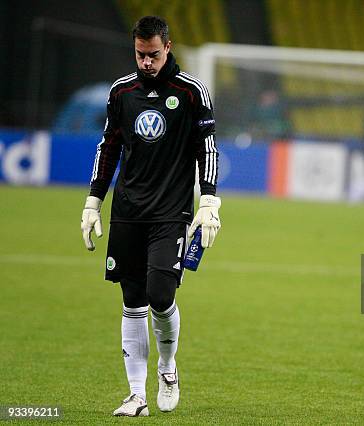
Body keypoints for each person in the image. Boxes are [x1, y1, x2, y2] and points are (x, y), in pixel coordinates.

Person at [80, 16, 221, 417]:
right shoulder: (121, 91)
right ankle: (136, 395)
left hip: (171, 211)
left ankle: (168, 367)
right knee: (132, 300)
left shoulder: (192, 92)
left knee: (161, 296)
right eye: (140, 55)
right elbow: (108, 148)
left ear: (168, 47)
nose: (146, 62)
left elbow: (207, 147)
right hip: (128, 211)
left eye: (153, 54)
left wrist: (209, 201)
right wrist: (93, 201)